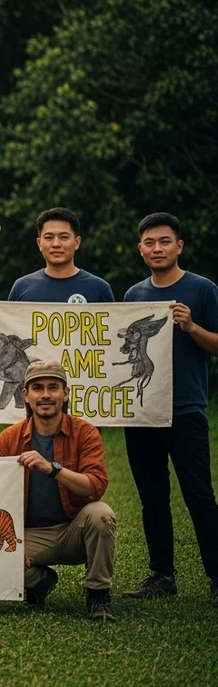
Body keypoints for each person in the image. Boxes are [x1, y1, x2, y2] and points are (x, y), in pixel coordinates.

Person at [121, 213, 218, 607]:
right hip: (142, 411)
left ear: (179, 246)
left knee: (199, 494)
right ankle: (163, 574)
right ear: (140, 248)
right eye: (149, 242)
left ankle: (216, 577)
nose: (156, 248)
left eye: (164, 241)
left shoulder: (202, 289)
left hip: (186, 408)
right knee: (152, 496)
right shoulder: (133, 296)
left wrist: (192, 328)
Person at [0, 360, 116, 621]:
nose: (45, 395)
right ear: (26, 395)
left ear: (65, 393)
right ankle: (38, 580)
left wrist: (52, 468)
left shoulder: (86, 432)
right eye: (37, 388)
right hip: (31, 535)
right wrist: (13, 542)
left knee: (101, 514)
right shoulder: (9, 438)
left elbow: (95, 486)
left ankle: (98, 594)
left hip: (74, 530)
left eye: (53, 387)